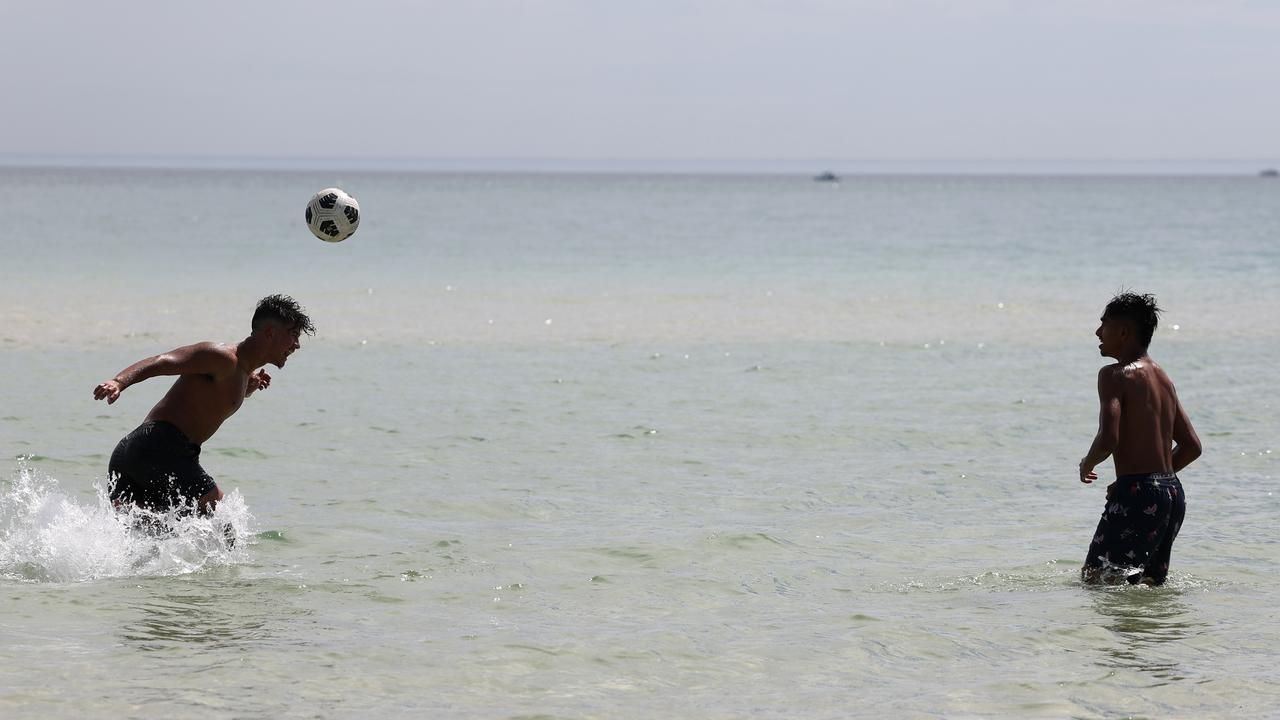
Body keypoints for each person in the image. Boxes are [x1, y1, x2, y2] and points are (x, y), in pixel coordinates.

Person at [93, 294, 314, 515]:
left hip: (136, 455)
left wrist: (248, 388)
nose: (297, 345)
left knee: (155, 535)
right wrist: (119, 381)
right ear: (270, 333)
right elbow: (162, 362)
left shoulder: (242, 374)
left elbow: (213, 398)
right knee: (221, 517)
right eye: (293, 335)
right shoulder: (222, 358)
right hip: (159, 446)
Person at [1078, 292, 1202, 585]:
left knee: (1095, 580)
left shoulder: (1114, 375)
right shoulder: (1163, 378)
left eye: (1103, 324)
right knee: (1145, 586)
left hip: (1141, 493)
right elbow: (1192, 447)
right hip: (1172, 496)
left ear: (1123, 332)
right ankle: (1151, 633)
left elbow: (1109, 438)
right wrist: (1148, 482)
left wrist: (1088, 463)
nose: (1097, 332)